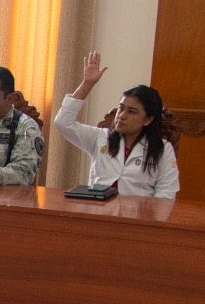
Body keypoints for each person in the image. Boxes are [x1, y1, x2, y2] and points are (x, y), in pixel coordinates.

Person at [53, 53, 180, 198]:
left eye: (131, 112)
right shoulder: (101, 137)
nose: (121, 115)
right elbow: (63, 123)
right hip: (97, 209)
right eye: (121, 108)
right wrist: (87, 84)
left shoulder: (163, 149)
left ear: (148, 120)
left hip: (138, 211)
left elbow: (166, 195)